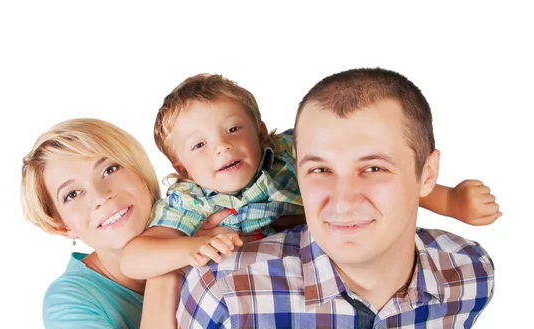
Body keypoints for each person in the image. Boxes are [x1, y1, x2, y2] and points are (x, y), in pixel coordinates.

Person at [177, 68, 496, 329]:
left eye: (373, 168)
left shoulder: (469, 273)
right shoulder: (223, 285)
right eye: (320, 169)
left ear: (427, 174)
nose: (343, 202)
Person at [120, 73, 500, 280]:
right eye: (199, 146)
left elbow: (377, 172)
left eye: (233, 130)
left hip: (333, 254)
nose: (222, 147)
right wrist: (188, 248)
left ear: (261, 131)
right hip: (257, 280)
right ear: (182, 169)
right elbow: (134, 258)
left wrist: (449, 200)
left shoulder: (289, 152)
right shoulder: (192, 199)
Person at [21, 118, 187, 329]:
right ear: (62, 226)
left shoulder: (204, 220)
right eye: (72, 194)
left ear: (140, 172)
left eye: (110, 169)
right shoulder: (69, 300)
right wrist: (164, 264)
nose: (100, 196)